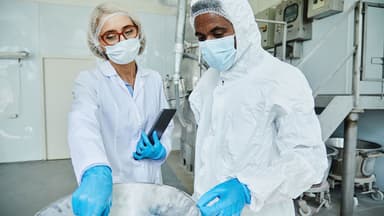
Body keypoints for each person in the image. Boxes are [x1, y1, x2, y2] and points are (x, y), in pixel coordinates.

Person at [188, 0, 328, 215]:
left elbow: (308, 161)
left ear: (241, 26)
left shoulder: (281, 79)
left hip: (261, 209)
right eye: (201, 37)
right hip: (208, 205)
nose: (209, 43)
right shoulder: (208, 81)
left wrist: (248, 188)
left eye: (218, 34)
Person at [67, 3, 173, 216]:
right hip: (116, 187)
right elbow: (81, 122)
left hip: (152, 182)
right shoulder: (89, 82)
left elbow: (165, 122)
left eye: (128, 31)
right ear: (99, 42)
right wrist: (94, 169)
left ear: (138, 31)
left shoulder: (153, 79)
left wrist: (161, 148)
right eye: (111, 36)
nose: (122, 40)